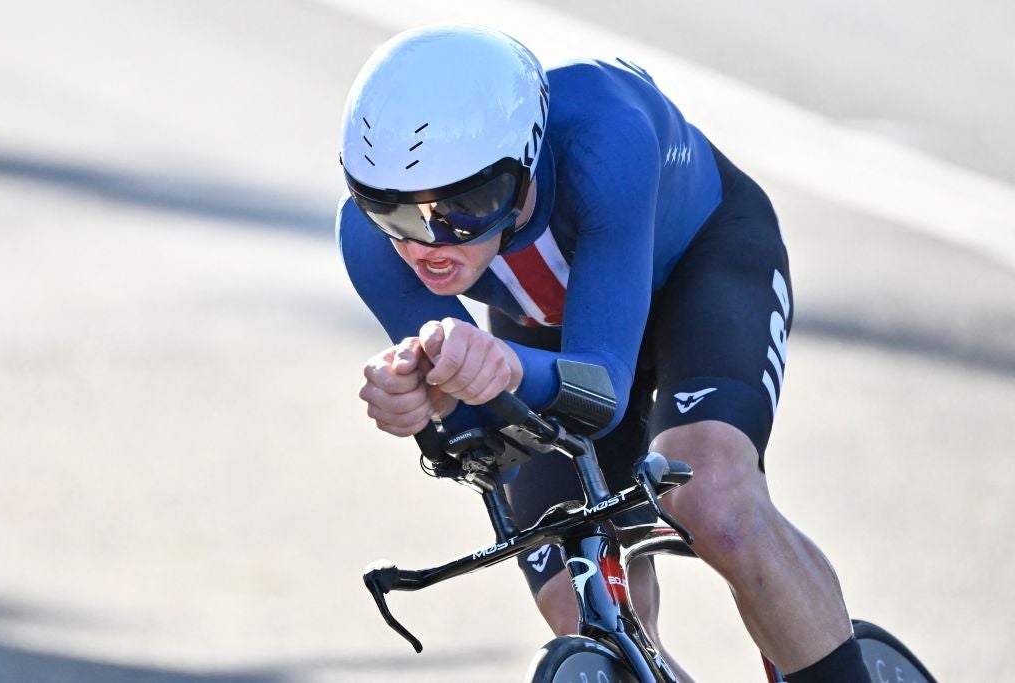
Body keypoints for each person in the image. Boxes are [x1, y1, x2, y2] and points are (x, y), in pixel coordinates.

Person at [336, 24, 871, 682]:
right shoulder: (367, 241)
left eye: (467, 205)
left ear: (526, 162)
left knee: (712, 497)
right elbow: (480, 434)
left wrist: (501, 368)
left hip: (700, 267)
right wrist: (424, 402)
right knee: (574, 591)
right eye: (392, 212)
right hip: (553, 321)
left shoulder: (604, 136)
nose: (429, 244)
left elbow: (601, 392)